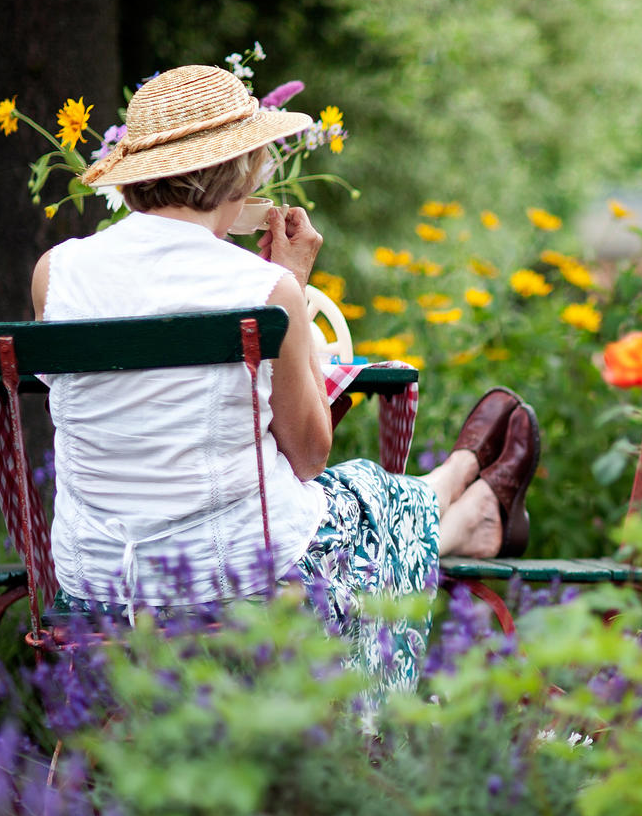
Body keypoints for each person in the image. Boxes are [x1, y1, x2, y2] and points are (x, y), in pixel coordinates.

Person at [30, 64, 538, 713]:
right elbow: (306, 458)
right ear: (244, 174)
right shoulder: (260, 291)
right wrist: (291, 288)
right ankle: (462, 506)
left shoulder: (58, 272)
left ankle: (463, 497)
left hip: (96, 578)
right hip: (232, 576)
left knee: (352, 497)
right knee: (355, 488)